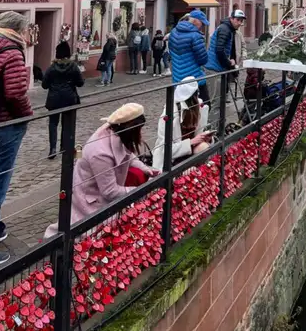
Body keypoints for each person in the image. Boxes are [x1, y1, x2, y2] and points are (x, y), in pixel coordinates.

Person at [44, 103, 158, 238]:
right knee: (92, 232)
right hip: (91, 198)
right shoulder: (100, 153)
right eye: (139, 129)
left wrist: (144, 169)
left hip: (97, 191)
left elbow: (127, 153)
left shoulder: (115, 130)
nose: (141, 133)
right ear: (131, 131)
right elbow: (110, 192)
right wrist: (144, 190)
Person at [0, 11, 32, 267]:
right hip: (2, 127)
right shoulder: (10, 50)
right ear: (18, 30)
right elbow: (14, 93)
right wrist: (27, 115)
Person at [153, 77, 212, 169]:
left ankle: (199, 174)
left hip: (189, 151)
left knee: (204, 147)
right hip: (172, 160)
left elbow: (198, 133)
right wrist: (191, 142)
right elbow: (166, 151)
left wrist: (205, 138)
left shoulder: (199, 108)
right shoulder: (169, 116)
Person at [42, 41, 84, 159]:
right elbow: (80, 83)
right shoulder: (73, 66)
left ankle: (52, 149)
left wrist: (53, 85)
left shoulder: (52, 68)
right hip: (69, 98)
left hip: (54, 99)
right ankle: (64, 147)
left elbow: (44, 85)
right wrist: (71, 83)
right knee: (67, 123)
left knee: (53, 124)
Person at [206, 9, 246, 105]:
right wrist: (229, 63)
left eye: (241, 21)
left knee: (219, 98)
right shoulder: (225, 29)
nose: (240, 23)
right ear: (231, 19)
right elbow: (219, 50)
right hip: (215, 68)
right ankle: (213, 120)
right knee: (216, 101)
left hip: (219, 67)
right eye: (238, 20)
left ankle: (218, 119)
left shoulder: (230, 29)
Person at [169, 10, 209, 101]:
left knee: (182, 107)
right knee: (204, 105)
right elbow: (203, 59)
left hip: (177, 79)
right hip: (194, 79)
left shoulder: (173, 32)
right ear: (195, 21)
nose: (202, 26)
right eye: (202, 23)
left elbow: (170, 52)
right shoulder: (195, 36)